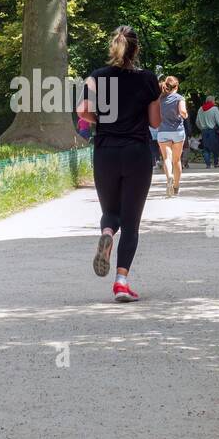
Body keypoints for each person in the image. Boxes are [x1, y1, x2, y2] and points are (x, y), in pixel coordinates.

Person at [76, 25, 162, 303]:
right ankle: (121, 283)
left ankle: (106, 233)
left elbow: (82, 111)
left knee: (110, 213)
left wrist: (106, 121)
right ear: (135, 49)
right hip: (136, 152)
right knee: (132, 222)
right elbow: (155, 122)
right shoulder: (148, 80)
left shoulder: (97, 77)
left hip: (106, 152)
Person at [156, 75, 188, 197]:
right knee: (177, 160)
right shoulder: (179, 98)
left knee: (167, 158)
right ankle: (176, 186)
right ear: (177, 86)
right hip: (177, 132)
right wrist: (185, 115)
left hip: (163, 132)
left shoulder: (159, 99)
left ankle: (169, 176)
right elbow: (183, 112)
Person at [196, 95, 219, 168]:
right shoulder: (214, 109)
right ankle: (216, 163)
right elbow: (218, 121)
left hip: (204, 131)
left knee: (206, 148)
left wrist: (201, 128)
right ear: (212, 101)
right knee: (215, 147)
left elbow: (197, 122)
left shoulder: (200, 109)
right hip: (213, 131)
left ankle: (208, 164)